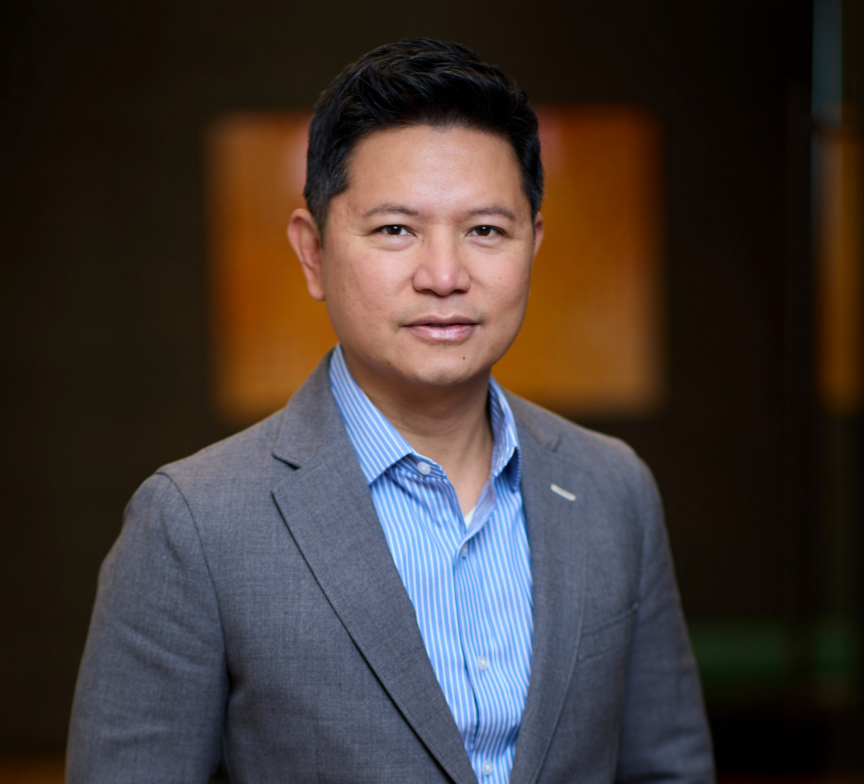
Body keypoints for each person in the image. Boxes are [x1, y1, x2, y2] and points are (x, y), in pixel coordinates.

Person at [67, 38, 714, 784]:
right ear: (312, 252)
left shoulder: (612, 487)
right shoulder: (193, 523)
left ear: (533, 246)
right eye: (395, 229)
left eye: (485, 230)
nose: (444, 275)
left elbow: (667, 767)